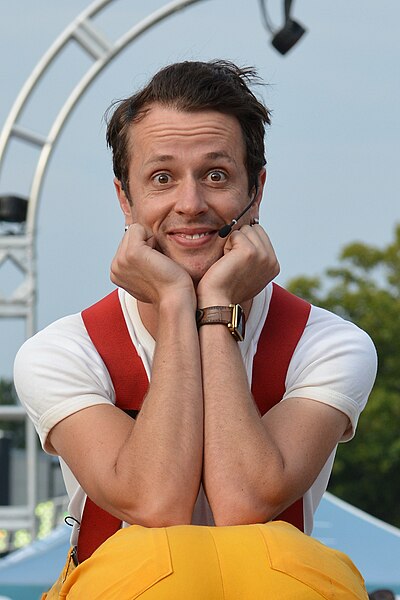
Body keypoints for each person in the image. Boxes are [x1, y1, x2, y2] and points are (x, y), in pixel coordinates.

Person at [14, 60, 377, 599]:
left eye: (216, 175)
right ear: (125, 199)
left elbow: (244, 503)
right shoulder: (63, 352)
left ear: (256, 192)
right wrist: (179, 302)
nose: (190, 204)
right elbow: (157, 504)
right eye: (162, 178)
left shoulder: (327, 344)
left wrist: (214, 308)